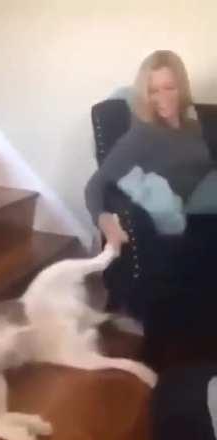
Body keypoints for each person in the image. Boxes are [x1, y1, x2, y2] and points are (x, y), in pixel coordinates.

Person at [85, 50, 217, 365]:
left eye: (169, 87)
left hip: (203, 207)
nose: (162, 97)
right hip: (177, 219)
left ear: (181, 86)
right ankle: (167, 357)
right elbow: (96, 185)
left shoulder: (193, 126)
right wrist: (105, 221)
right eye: (154, 90)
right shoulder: (142, 134)